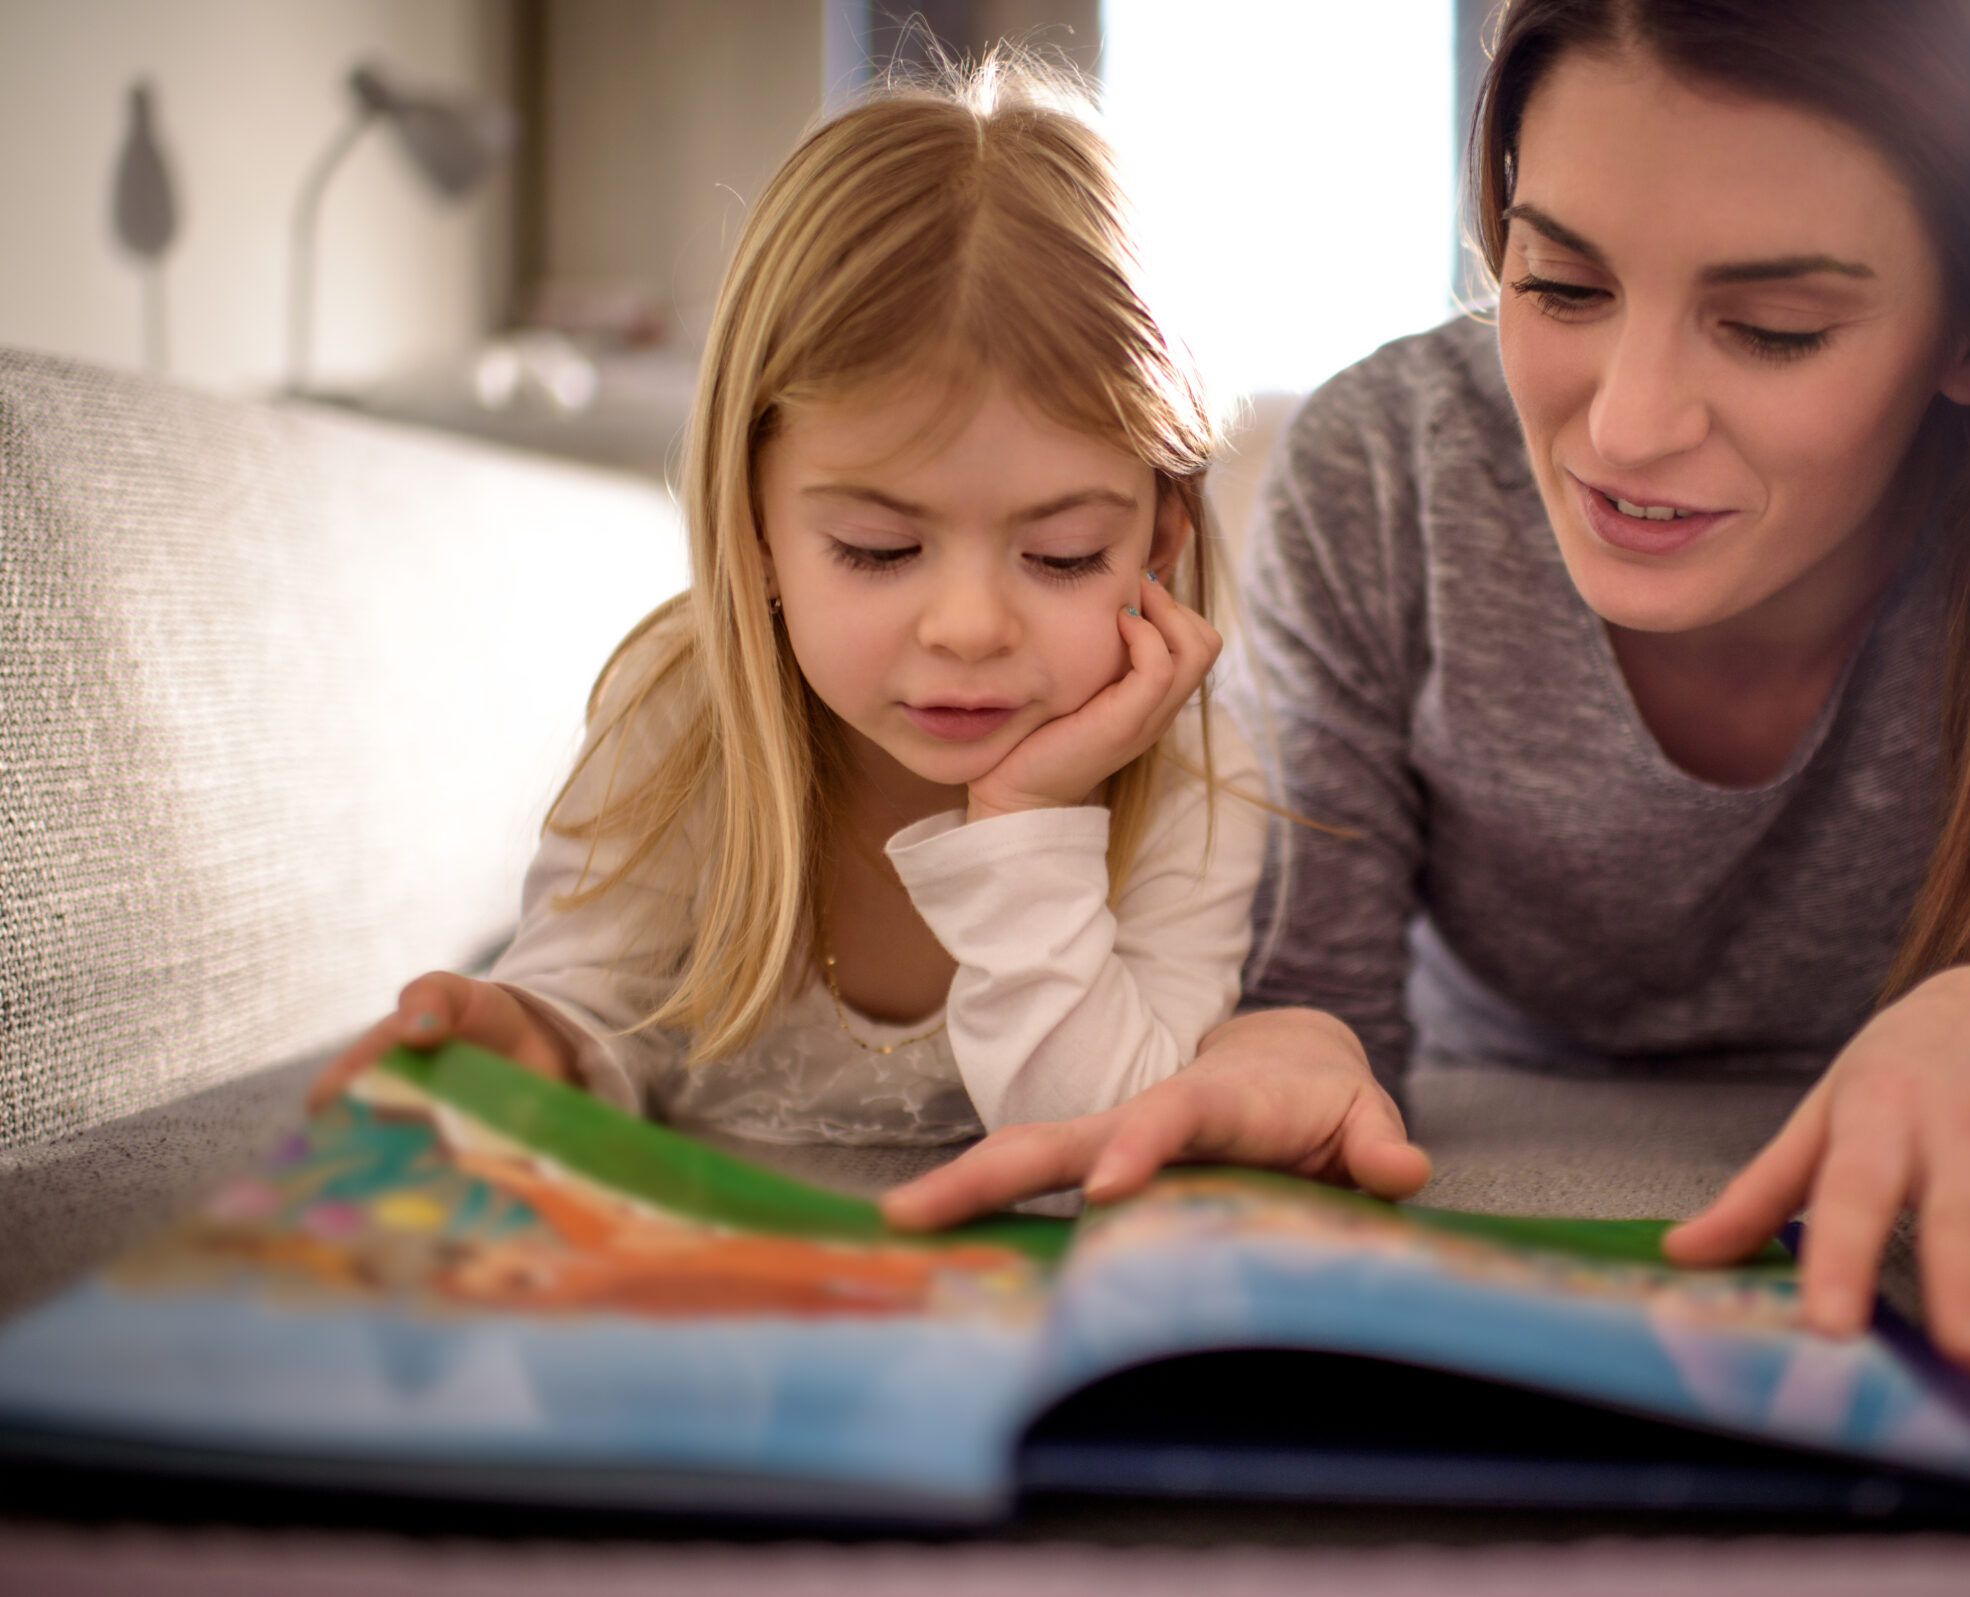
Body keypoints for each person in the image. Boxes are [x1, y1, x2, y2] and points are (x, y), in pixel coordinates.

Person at [881, 0, 1970, 1375]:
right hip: (1486, 1077)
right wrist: (1291, 1054)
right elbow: (1316, 1009)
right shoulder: (1386, 470)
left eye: (1775, 327)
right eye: (1562, 283)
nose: (1630, 424)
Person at [311, 62, 1263, 1150]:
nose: (967, 626)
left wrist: (1029, 823)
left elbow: (1113, 1141)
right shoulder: (682, 712)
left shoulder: (1195, 778)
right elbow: (581, 1017)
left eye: (1060, 555)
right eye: (877, 548)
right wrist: (531, 1043)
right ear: (752, 528)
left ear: (1157, 540)